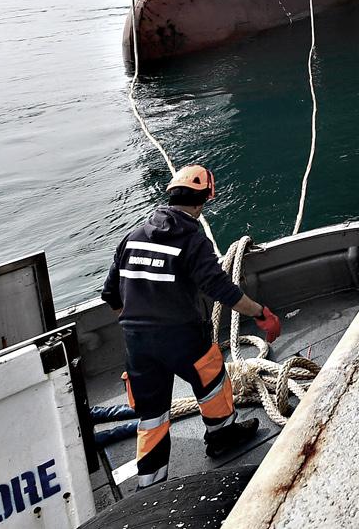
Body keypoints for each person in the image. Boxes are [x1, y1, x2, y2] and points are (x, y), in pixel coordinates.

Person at [100, 164, 282, 487]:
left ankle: (150, 489)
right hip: (180, 337)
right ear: (201, 203)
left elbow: (110, 294)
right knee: (211, 374)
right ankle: (221, 434)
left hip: (137, 344)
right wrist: (259, 311)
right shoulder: (193, 240)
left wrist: (137, 327)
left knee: (152, 418)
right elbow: (220, 289)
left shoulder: (132, 237)